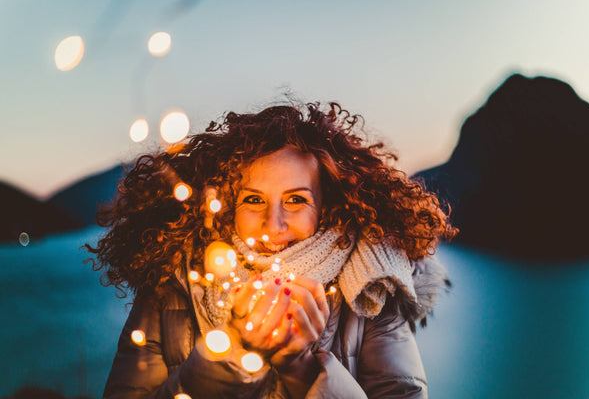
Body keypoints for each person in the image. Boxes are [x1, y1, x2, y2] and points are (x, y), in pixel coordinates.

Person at [87, 102, 457, 398]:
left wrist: (303, 368)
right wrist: (229, 354)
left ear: (325, 208)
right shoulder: (172, 285)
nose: (273, 224)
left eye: (296, 199)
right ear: (230, 205)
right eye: (253, 199)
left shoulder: (371, 291)